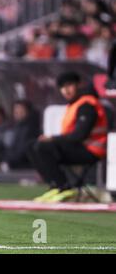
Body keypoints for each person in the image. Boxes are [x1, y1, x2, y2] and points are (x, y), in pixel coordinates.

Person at [30, 72, 108, 203]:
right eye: (62, 87)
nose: (66, 90)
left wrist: (53, 139)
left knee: (42, 147)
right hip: (78, 148)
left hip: (91, 151)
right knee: (31, 146)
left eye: (69, 85)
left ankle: (64, 186)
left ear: (80, 85)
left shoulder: (87, 105)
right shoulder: (74, 105)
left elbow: (80, 135)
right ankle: (55, 186)